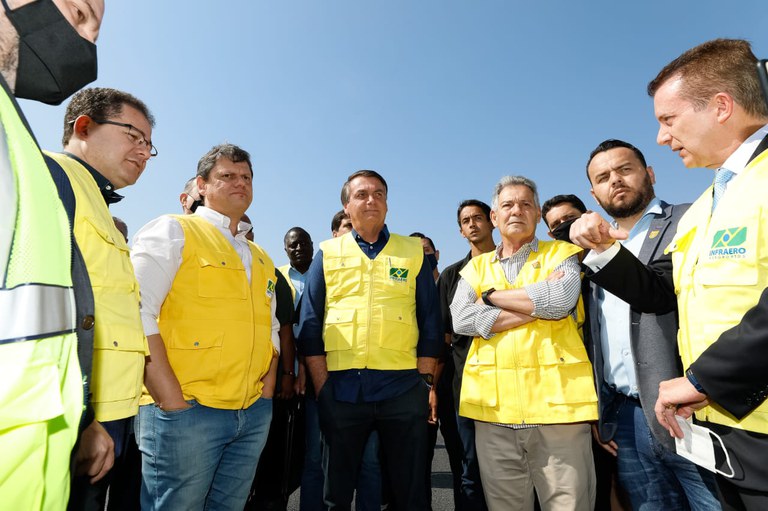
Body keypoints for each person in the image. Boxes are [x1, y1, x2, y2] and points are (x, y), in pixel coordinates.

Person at [569, 38, 768, 510]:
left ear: (721, 106)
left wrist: (703, 380)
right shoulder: (706, 208)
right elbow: (662, 294)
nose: (662, 134)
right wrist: (600, 253)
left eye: (668, 119)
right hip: (728, 427)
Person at [131, 143, 279, 510]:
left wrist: (267, 394)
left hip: (251, 414)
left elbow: (272, 329)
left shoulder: (261, 256)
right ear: (202, 185)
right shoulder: (173, 230)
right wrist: (172, 402)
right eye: (227, 176)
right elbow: (134, 311)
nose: (239, 183)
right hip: (186, 414)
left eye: (246, 177)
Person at [0, 0, 104, 508]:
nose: (84, 43)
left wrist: (81, 418)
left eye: (93, 31)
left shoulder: (14, 135)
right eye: (80, 11)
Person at [582, 139, 719, 510]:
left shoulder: (691, 219)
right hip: (625, 416)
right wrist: (602, 412)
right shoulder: (587, 252)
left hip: (689, 408)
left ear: (650, 174)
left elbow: (656, 294)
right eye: (604, 177)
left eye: (625, 170)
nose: (616, 180)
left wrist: (603, 252)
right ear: (594, 194)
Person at [297, 170, 442, 510]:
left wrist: (423, 383)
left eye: (379, 194)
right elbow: (310, 323)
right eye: (361, 194)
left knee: (410, 492)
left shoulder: (413, 251)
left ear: (387, 204)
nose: (371, 200)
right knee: (337, 493)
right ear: (347, 207)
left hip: (403, 389)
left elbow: (431, 322)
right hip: (342, 390)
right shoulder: (327, 252)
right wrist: (323, 388)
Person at [450, 175, 597, 511]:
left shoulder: (561, 252)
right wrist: (535, 307)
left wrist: (491, 298)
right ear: (495, 217)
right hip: (494, 417)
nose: (517, 210)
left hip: (558, 414)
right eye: (508, 205)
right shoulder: (475, 267)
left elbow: (560, 299)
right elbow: (461, 319)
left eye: (526, 203)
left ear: (536, 215)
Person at [45, 86, 155, 511]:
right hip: (79, 416)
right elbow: (44, 311)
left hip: (113, 411)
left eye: (149, 145)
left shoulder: (96, 200)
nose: (144, 153)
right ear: (84, 127)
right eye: (133, 136)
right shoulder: (52, 178)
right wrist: (79, 419)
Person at [437, 199, 496, 511]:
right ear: (460, 231)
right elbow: (443, 338)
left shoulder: (518, 266)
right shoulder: (451, 275)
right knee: (468, 470)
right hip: (464, 389)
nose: (472, 224)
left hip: (515, 386)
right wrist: (434, 389)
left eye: (478, 218)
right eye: (465, 221)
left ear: (493, 220)